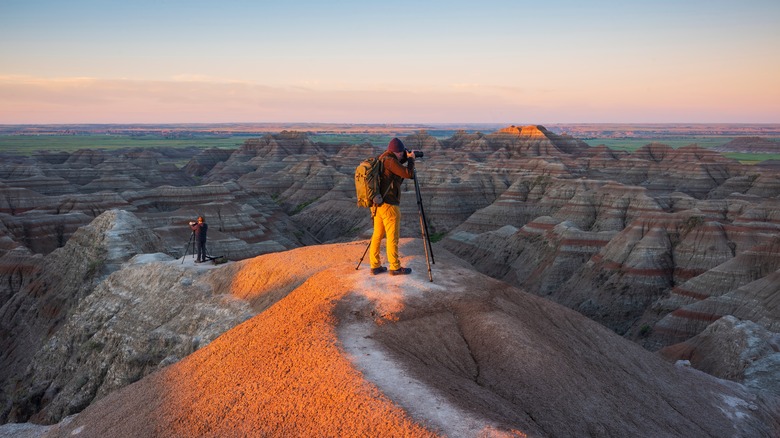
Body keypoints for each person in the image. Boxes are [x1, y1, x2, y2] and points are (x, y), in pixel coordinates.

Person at [369, 138, 415, 276]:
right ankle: (395, 267)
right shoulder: (390, 161)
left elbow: (395, 174)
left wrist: (403, 160)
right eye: (402, 153)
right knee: (392, 237)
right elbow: (408, 174)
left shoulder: (382, 158)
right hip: (389, 206)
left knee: (377, 235)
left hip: (377, 204)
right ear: (398, 152)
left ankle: (375, 265)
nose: (403, 155)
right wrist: (411, 159)